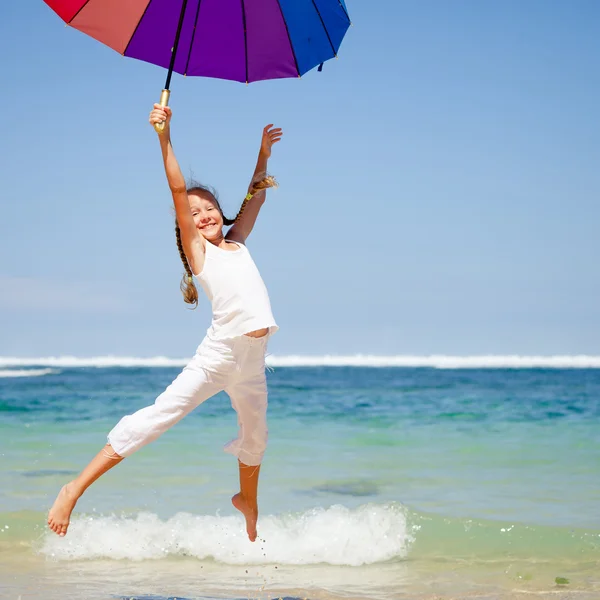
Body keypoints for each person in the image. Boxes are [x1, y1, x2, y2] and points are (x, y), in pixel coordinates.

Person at [47, 104, 283, 542]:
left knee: (257, 435)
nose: (204, 214)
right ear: (185, 228)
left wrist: (263, 155)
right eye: (194, 213)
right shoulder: (202, 254)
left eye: (210, 207)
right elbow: (177, 188)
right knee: (156, 419)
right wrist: (164, 136)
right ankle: (73, 488)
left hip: (252, 361)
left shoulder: (237, 242)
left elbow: (257, 195)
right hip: (218, 357)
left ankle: (247, 500)